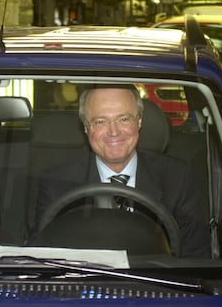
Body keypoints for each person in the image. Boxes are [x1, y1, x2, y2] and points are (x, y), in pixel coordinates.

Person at [33, 85, 210, 258]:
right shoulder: (56, 184)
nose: (114, 132)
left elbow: (195, 257)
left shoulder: (178, 178)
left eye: (124, 119)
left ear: (139, 121)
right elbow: (42, 258)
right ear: (86, 128)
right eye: (100, 121)